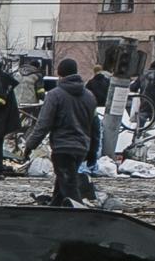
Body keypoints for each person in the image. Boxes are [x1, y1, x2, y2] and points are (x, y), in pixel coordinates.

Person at [19, 65, 99, 208]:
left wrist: (30, 146)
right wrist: (93, 151)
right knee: (63, 181)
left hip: (63, 147)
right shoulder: (89, 96)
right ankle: (55, 208)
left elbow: (43, 124)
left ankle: (79, 215)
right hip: (81, 147)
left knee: (69, 186)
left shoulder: (55, 95)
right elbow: (95, 127)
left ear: (59, 74)